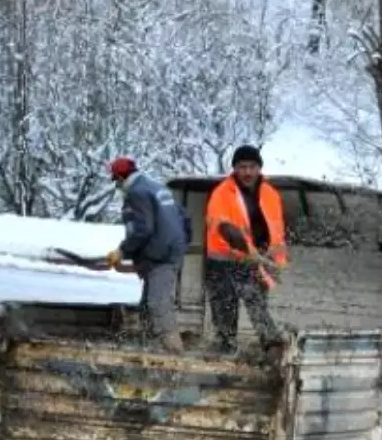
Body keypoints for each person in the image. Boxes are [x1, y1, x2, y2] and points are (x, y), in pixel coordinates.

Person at [203, 144, 287, 352]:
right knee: (225, 307)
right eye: (242, 167)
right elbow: (222, 225)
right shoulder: (222, 193)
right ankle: (226, 347)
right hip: (225, 261)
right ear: (234, 169)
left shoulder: (271, 194)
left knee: (257, 303)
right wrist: (245, 248)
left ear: (259, 168)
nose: (247, 172)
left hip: (259, 261)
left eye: (252, 166)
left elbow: (277, 229)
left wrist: (276, 261)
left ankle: (272, 347)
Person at [104, 157, 190, 352]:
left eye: (115, 181)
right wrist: (180, 245)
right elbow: (184, 217)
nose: (117, 186)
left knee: (158, 304)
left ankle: (176, 355)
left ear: (119, 178)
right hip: (170, 252)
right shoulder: (158, 187)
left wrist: (122, 250)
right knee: (147, 305)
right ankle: (150, 348)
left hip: (160, 258)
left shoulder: (136, 193)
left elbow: (141, 230)